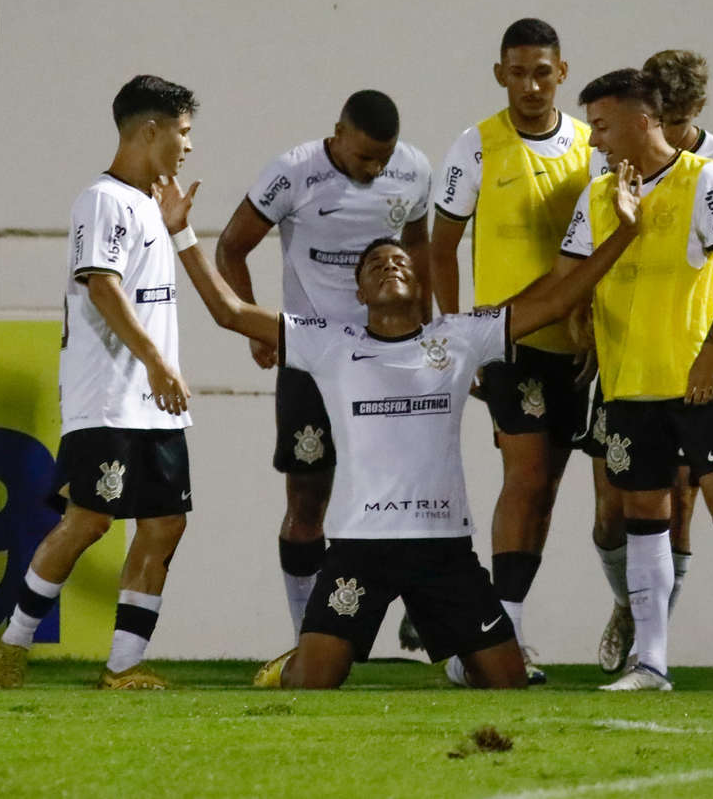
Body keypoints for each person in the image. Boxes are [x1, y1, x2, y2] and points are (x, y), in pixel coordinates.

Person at [158, 160, 646, 689]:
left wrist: (626, 232)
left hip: (442, 546)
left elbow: (556, 301)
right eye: (376, 267)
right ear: (359, 294)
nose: (391, 267)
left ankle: (461, 657)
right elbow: (230, 311)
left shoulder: (460, 337)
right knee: (313, 684)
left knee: (507, 683)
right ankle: (291, 664)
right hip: (359, 546)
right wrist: (180, 231)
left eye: (402, 263)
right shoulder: (328, 343)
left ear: (421, 285)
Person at [552, 68, 713, 692]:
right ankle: (652, 663)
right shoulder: (598, 194)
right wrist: (580, 318)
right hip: (628, 384)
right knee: (644, 513)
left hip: (698, 379)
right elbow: (571, 275)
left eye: (603, 126)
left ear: (643, 121)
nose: (594, 140)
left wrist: (711, 349)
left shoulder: (703, 179)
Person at [0, 75, 200, 690]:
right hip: (109, 396)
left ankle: (123, 667)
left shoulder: (147, 207)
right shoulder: (102, 199)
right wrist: (159, 364)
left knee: (165, 524)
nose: (188, 148)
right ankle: (12, 645)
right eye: (183, 134)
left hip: (154, 402)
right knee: (90, 520)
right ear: (150, 130)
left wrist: (176, 225)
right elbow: (102, 286)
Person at [214, 90, 431, 673]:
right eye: (364, 158)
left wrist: (427, 331)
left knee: (407, 491)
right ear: (337, 134)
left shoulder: (414, 169)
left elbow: (418, 248)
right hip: (312, 357)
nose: (375, 170)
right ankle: (306, 633)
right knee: (309, 497)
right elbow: (231, 247)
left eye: (382, 159)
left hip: (388, 357)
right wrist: (261, 331)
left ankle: (431, 605)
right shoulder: (292, 172)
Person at [428, 17, 595, 683]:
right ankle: (496, 641)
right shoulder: (475, 147)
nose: (530, 84)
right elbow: (441, 244)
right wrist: (458, 334)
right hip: (511, 343)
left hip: (576, 345)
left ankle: (508, 629)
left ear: (563, 71)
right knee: (523, 479)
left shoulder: (590, 146)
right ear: (499, 73)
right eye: (518, 71)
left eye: (543, 71)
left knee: (549, 486)